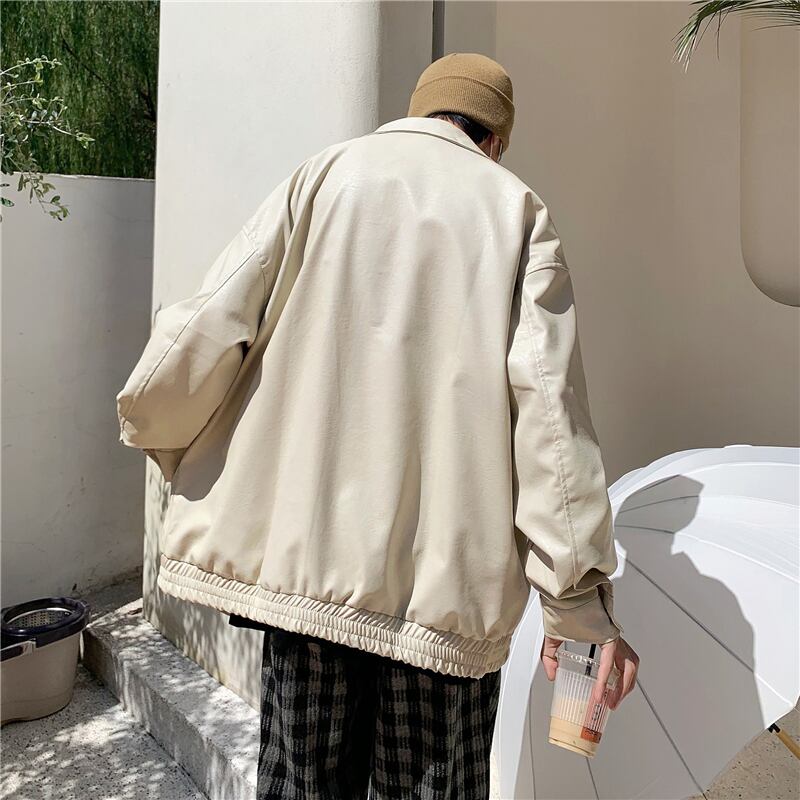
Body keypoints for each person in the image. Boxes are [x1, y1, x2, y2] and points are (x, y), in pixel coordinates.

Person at [116, 52, 639, 799]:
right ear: (496, 139)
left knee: (301, 786)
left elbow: (209, 324)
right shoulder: (516, 211)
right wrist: (575, 601)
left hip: (307, 582)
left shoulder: (324, 176)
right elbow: (550, 417)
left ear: (420, 111)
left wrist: (158, 426)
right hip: (444, 605)